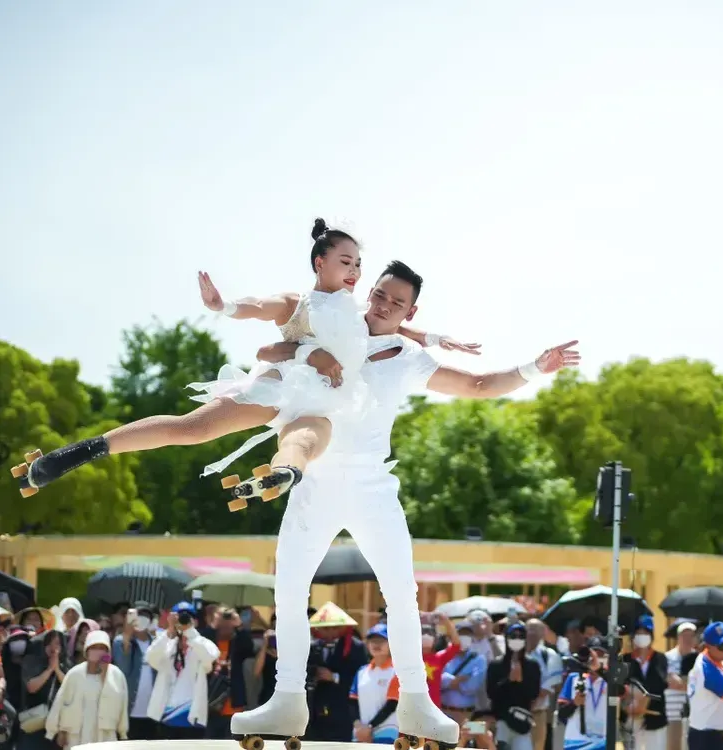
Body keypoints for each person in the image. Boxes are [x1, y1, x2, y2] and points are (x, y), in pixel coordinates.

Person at [231, 258, 580, 749]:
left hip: (373, 486)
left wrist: (534, 367)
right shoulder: (333, 328)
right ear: (368, 292)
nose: (384, 305)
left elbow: (477, 385)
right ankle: (287, 698)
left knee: (402, 594)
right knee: (289, 590)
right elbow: (270, 347)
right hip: (317, 481)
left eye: (397, 302)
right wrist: (299, 348)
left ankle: (416, 700)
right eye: (380, 294)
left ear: (409, 312)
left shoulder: (407, 356)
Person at [10, 219, 471, 502]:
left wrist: (432, 336)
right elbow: (261, 310)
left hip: (325, 402)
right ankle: (83, 451)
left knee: (308, 438)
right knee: (191, 430)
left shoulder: (357, 307)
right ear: (319, 262)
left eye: (357, 265)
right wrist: (225, 306)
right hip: (281, 387)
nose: (354, 271)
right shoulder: (298, 301)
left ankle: (284, 473)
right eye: (345, 262)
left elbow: (385, 324)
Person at [144, 602, 221, 739]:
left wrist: (190, 634)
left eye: (188, 618)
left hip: (191, 713)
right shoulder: (166, 643)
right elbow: (151, 657)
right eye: (179, 617)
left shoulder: (202, 643)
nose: (183, 621)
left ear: (196, 622)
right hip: (166, 713)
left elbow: (210, 657)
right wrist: (169, 631)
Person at [44, 631, 128, 749]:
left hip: (104, 734)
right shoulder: (75, 674)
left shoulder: (116, 675)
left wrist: (122, 732)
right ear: (87, 650)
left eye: (102, 648)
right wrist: (58, 730)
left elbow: (122, 704)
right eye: (94, 647)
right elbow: (61, 701)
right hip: (77, 734)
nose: (98, 651)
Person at [307, 604, 368, 742]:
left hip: (342, 709)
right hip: (316, 709)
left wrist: (335, 677)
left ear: (344, 628)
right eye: (325, 628)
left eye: (334, 627)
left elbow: (362, 677)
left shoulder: (356, 647)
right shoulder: (312, 647)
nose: (329, 632)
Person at [199, 606, 255, 739]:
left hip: (233, 703)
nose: (225, 626)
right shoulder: (209, 642)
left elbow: (249, 647)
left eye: (229, 622)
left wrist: (239, 624)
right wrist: (214, 625)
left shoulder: (237, 644)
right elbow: (200, 641)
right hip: (211, 702)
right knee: (210, 742)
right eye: (222, 622)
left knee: (231, 742)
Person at [558, 637, 621, 750]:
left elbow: (621, 691)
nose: (595, 658)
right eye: (593, 654)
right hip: (575, 742)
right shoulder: (574, 678)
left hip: (603, 742)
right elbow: (561, 714)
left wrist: (599, 671)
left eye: (600, 655)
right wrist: (574, 704)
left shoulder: (611, 681)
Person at [487, 622, 542, 750]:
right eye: (513, 636)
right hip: (501, 721)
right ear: (506, 638)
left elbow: (534, 694)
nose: (517, 639)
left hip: (522, 722)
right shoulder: (496, 664)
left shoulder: (532, 665)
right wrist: (509, 680)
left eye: (520, 636)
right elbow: (491, 693)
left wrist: (521, 681)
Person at [112, 602, 160, 740]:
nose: (142, 620)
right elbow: (123, 668)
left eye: (146, 616)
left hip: (152, 712)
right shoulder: (119, 642)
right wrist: (127, 636)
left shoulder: (157, 643)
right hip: (129, 710)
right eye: (139, 616)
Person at [623, 616, 670, 750]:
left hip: (656, 721)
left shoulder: (661, 659)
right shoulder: (626, 660)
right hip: (631, 721)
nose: (642, 636)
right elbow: (621, 687)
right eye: (639, 633)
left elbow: (661, 684)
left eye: (645, 633)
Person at [351, 624, 402, 744]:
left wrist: (369, 727)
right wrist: (358, 726)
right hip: (360, 732)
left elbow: (392, 705)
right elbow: (352, 701)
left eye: (381, 641)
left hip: (387, 730)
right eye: (373, 641)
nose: (376, 644)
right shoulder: (362, 671)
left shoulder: (397, 671)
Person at [17, 630, 66, 750]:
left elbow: (69, 687)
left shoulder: (65, 663)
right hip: (35, 722)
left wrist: (57, 669)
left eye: (57, 643)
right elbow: (31, 687)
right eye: (49, 643)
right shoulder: (31, 661)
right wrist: (49, 669)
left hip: (57, 725)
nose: (53, 647)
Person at [525, 619, 563, 750]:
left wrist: (529, 701)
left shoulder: (549, 655)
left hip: (538, 713)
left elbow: (549, 686)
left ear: (543, 633)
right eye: (529, 629)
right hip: (514, 713)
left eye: (536, 629)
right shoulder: (514, 653)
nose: (532, 633)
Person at [442, 621, 489, 725]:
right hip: (444, 714)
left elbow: (472, 686)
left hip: (469, 715)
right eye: (461, 634)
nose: (464, 638)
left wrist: (449, 682)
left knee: (475, 733)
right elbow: (438, 682)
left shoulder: (479, 659)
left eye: (467, 635)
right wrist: (456, 680)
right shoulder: (443, 656)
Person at [666, 622, 697, 750]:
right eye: (684, 635)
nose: (687, 639)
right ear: (678, 637)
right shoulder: (667, 657)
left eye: (691, 636)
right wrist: (686, 682)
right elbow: (669, 681)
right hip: (672, 713)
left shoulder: (699, 659)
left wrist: (682, 682)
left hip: (694, 715)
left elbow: (693, 685)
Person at [422, 613, 462, 708]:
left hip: (433, 707)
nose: (426, 636)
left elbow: (456, 645)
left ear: (435, 639)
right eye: (423, 633)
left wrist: (446, 622)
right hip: (413, 707)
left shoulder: (439, 657)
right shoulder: (409, 658)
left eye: (430, 633)